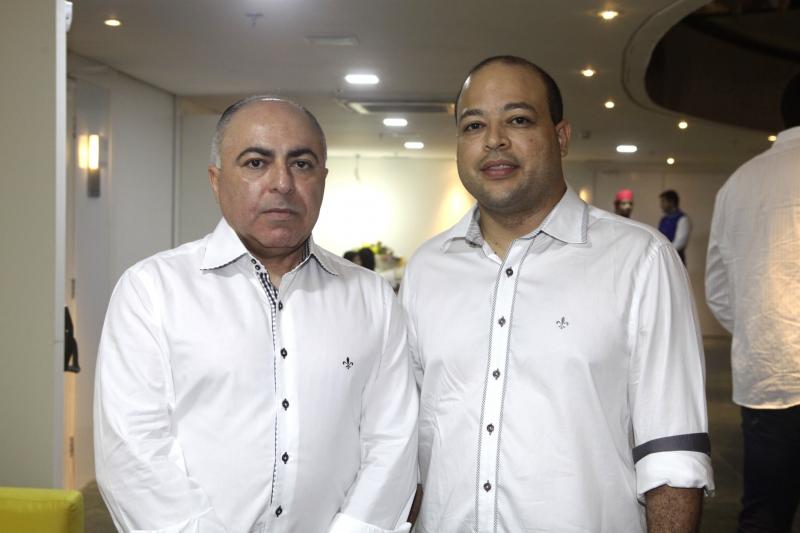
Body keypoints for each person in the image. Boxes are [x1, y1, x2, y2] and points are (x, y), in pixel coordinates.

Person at [400, 55, 714, 532]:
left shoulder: (640, 259)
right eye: (473, 125)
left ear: (561, 137)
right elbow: (410, 443)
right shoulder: (427, 268)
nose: (494, 140)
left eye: (518, 120)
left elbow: (673, 457)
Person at [94, 96, 418, 532]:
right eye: (255, 163)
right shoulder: (152, 291)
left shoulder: (372, 298)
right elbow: (133, 454)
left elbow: (393, 442)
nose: (282, 183)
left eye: (301, 164)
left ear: (323, 179)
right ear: (216, 180)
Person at [706, 72, 800, 533]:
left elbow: (718, 290)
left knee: (764, 512)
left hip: (766, 375)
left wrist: (758, 328)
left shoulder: (739, 183)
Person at [658, 189, 691, 263]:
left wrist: (664, 251)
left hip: (676, 259)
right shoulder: (664, 219)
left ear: (672, 202)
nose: (661, 205)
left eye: (663, 201)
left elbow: (680, 243)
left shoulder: (682, 219)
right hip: (664, 258)